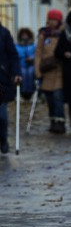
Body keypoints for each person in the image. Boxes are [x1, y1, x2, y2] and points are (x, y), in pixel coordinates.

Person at [35, 8, 65, 134]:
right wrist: (37, 71)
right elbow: (38, 53)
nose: (53, 22)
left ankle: (60, 122)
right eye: (51, 19)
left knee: (58, 97)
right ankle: (53, 121)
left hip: (59, 71)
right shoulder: (43, 34)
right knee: (50, 99)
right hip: (46, 71)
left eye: (55, 20)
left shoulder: (63, 34)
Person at [0, 21, 23, 154]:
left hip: (2, 80)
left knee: (2, 115)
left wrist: (17, 73)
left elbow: (13, 55)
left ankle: (3, 139)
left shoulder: (4, 33)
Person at [15, 27, 36, 100]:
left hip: (31, 64)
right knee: (23, 73)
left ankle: (30, 92)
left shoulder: (32, 45)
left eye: (26, 35)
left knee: (30, 72)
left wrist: (32, 57)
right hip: (21, 64)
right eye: (23, 35)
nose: (24, 37)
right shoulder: (17, 46)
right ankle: (23, 92)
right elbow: (15, 54)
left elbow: (36, 54)